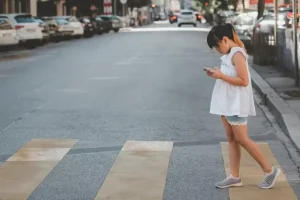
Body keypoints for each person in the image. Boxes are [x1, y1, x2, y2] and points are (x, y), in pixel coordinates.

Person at [205, 24, 281, 189]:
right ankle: (234, 176)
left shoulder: (237, 53)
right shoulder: (229, 53)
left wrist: (221, 75)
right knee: (232, 139)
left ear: (225, 39)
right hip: (226, 102)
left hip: (235, 103)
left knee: (242, 139)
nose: (217, 49)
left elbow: (244, 81)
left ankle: (270, 171)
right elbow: (231, 75)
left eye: (217, 45)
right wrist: (217, 73)